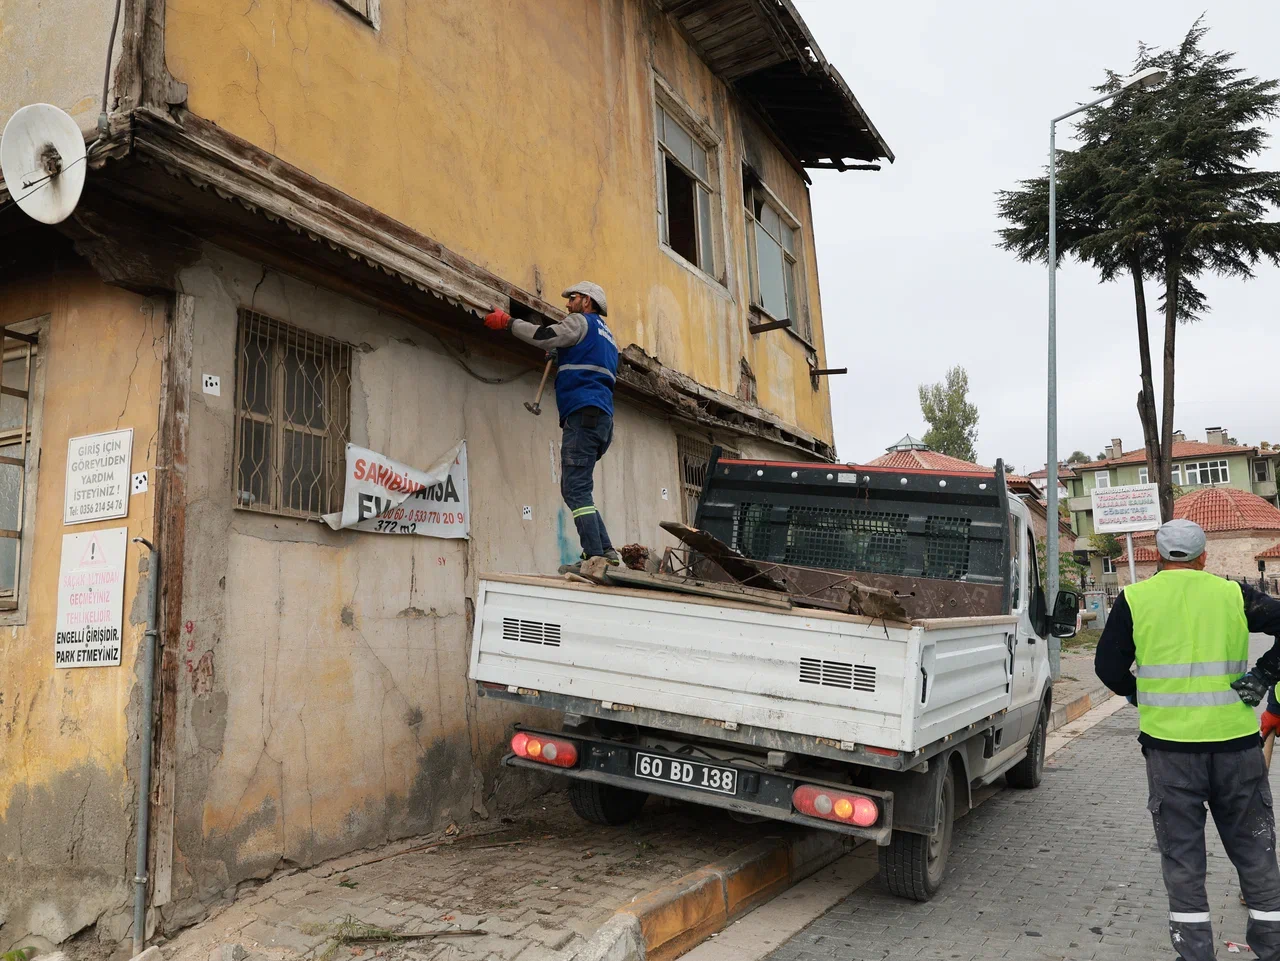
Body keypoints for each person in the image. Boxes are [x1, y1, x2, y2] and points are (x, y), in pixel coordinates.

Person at [1094, 519, 1280, 961]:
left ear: (1157, 557)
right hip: (1237, 747)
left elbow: (1106, 667)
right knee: (1255, 850)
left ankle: (1195, 954)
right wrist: (1264, 674)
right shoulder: (1233, 594)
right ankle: (1272, 948)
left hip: (1170, 752)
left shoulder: (1136, 599)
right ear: (1203, 558)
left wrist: (1136, 692)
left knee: (1183, 857)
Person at [485, 282, 620, 570]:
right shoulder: (608, 337)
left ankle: (594, 557)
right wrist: (564, 354)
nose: (568, 305)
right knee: (581, 489)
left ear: (587, 301)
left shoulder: (579, 321)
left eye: (572, 298)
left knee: (574, 489)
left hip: (583, 415)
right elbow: (586, 358)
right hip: (601, 420)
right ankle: (606, 551)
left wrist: (507, 323)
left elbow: (544, 335)